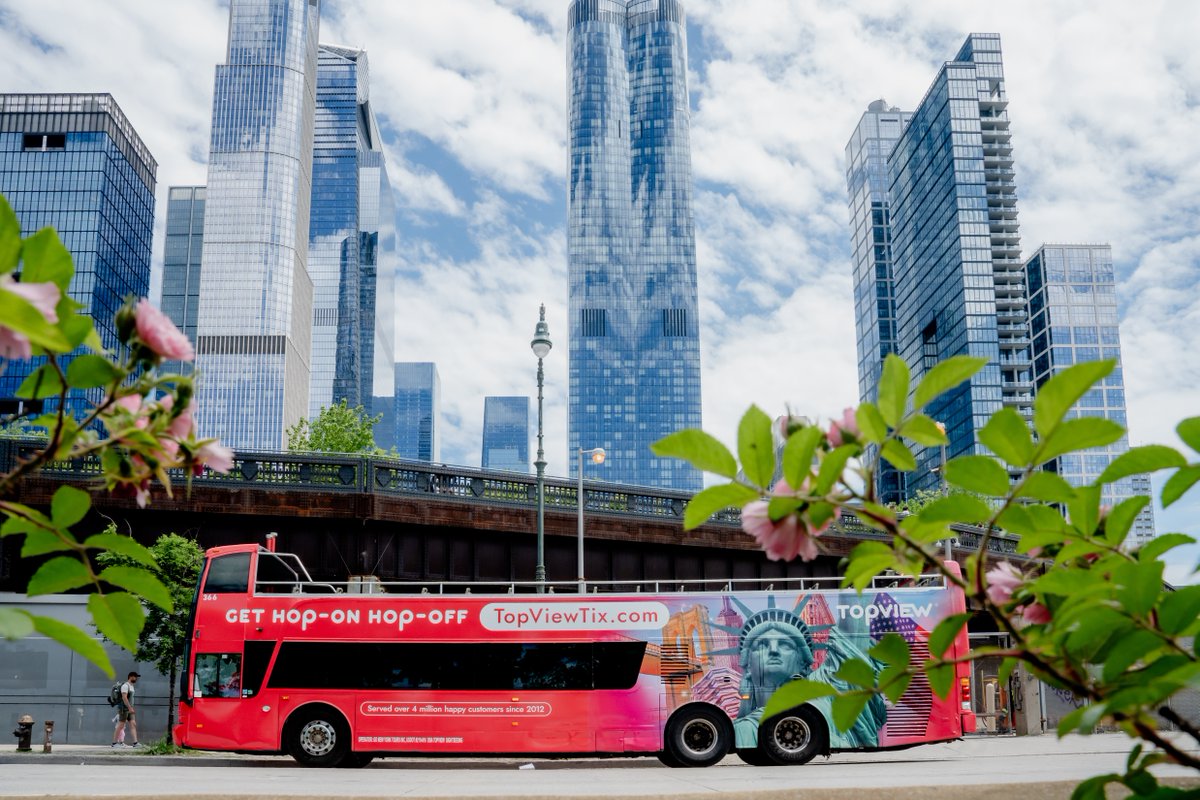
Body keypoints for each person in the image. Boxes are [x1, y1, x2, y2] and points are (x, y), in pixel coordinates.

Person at [111, 671, 140, 748]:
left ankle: (135, 743)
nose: (136, 678)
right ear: (130, 677)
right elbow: (124, 698)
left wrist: (131, 708)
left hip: (130, 709)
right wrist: (130, 708)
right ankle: (114, 743)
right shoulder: (125, 686)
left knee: (133, 724)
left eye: (136, 677)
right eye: (135, 677)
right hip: (124, 709)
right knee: (121, 725)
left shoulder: (131, 686)